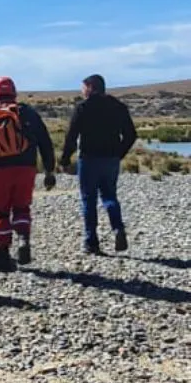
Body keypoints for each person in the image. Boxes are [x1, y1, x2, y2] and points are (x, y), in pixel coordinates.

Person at [0, 76, 56, 269]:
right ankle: (24, 240)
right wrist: (49, 169)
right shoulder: (29, 114)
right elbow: (45, 142)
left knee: (1, 213)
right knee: (22, 208)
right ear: (14, 92)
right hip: (26, 168)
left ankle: (3, 255)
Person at [59, 74, 137, 255]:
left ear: (90, 87)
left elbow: (71, 136)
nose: (82, 91)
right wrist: (119, 154)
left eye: (83, 87)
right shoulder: (118, 106)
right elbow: (131, 134)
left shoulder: (83, 108)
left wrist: (64, 159)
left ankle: (91, 242)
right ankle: (118, 228)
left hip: (88, 159)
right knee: (110, 196)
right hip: (110, 159)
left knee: (89, 199)